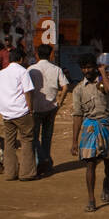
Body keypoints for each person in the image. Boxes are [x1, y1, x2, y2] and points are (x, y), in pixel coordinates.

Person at [70, 54, 109, 212]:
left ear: (95, 67)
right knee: (90, 164)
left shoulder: (103, 83)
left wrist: (103, 73)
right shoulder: (78, 90)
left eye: (89, 67)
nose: (86, 70)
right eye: (84, 68)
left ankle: (107, 181)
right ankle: (91, 199)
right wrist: (74, 141)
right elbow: (77, 116)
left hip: (106, 125)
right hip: (89, 128)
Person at [28, 44, 69, 177]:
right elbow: (65, 87)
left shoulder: (31, 69)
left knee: (34, 137)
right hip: (51, 107)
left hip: (35, 107)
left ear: (37, 54)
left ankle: (42, 160)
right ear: (51, 55)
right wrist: (60, 102)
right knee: (47, 136)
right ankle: (47, 162)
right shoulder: (56, 69)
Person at [0, 51, 37, 182]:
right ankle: (26, 173)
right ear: (21, 59)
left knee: (9, 143)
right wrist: (30, 109)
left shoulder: (2, 73)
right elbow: (28, 92)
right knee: (27, 140)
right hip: (21, 111)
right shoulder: (22, 71)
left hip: (6, 112)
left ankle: (10, 173)